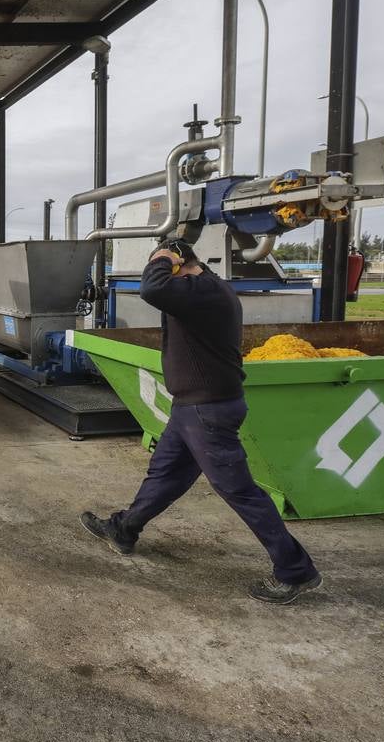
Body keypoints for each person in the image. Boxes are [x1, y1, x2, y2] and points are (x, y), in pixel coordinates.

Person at [80, 240, 321, 605]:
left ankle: (295, 571)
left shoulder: (204, 290)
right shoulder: (200, 291)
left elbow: (152, 287)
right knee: (165, 474)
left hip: (207, 411)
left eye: (166, 265)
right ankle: (124, 530)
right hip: (191, 407)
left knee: (239, 491)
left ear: (178, 265)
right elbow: (161, 291)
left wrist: (164, 257)